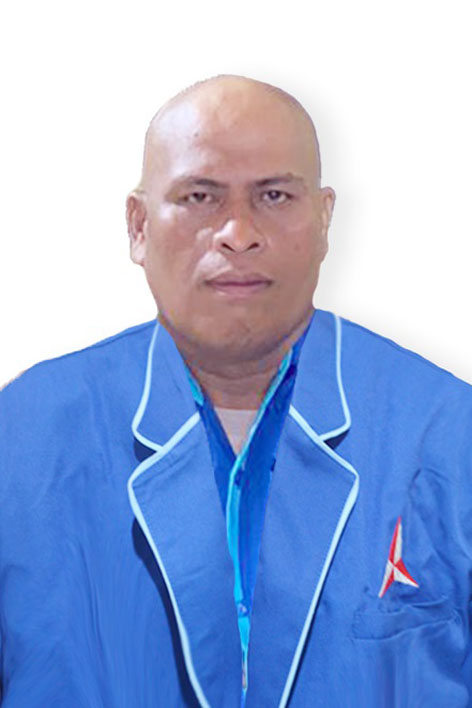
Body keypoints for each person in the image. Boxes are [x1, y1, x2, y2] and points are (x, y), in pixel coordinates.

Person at [0, 75, 471, 708]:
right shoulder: (22, 436)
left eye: (274, 195)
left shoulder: (448, 435)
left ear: (324, 219)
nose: (238, 232)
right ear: (138, 226)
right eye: (200, 196)